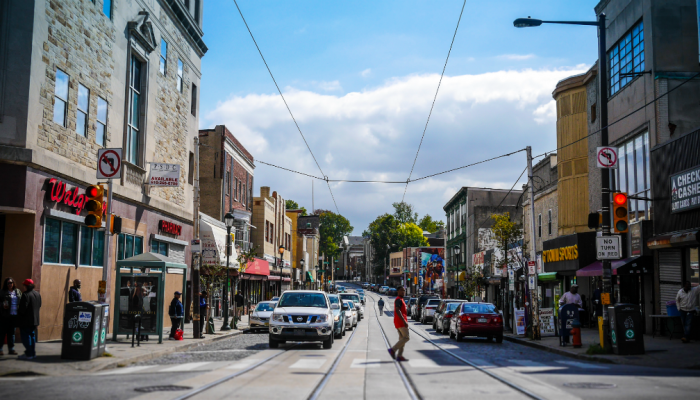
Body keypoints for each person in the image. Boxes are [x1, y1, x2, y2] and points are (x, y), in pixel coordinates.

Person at [18, 279, 41, 360]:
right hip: (35, 320)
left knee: (26, 336)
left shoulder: (25, 295)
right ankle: (32, 352)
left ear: (26, 286)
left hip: (26, 320)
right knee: (32, 335)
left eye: (24, 285)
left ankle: (29, 353)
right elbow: (39, 305)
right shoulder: (37, 294)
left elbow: (22, 309)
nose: (23, 287)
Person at [1, 277, 22, 356]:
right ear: (6, 284)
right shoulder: (3, 292)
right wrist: (2, 305)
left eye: (11, 283)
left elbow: (21, 302)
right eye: (8, 283)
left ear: (13, 283)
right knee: (2, 333)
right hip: (5, 315)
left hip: (14, 315)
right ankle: (0, 349)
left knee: (12, 333)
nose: (10, 284)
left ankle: (11, 349)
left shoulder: (17, 291)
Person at [388, 286, 409, 362]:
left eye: (404, 290)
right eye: (401, 290)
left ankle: (399, 356)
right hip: (401, 322)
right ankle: (393, 350)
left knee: (402, 339)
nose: (403, 292)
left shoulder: (401, 299)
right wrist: (404, 321)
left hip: (398, 322)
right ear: (398, 291)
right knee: (406, 338)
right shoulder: (398, 300)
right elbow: (397, 310)